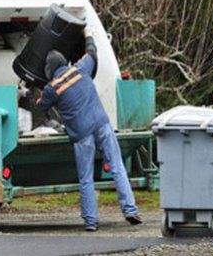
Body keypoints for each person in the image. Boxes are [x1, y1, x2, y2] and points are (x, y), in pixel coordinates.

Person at [36, 31, 142, 232]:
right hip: (102, 125)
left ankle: (91, 222)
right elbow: (92, 53)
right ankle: (130, 210)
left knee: (86, 178)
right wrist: (89, 35)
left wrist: (32, 90)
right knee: (118, 167)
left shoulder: (53, 88)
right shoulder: (80, 69)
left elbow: (40, 105)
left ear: (50, 70)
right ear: (64, 62)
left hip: (82, 134)